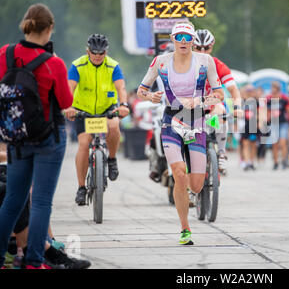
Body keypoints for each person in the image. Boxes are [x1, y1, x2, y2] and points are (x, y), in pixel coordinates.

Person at [137, 22, 224, 245]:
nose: (184, 42)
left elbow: (219, 95)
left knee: (196, 185)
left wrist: (200, 100)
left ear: (193, 40)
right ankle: (185, 229)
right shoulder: (161, 62)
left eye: (188, 37)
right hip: (171, 119)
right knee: (178, 173)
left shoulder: (206, 61)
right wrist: (150, 97)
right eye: (180, 37)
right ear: (173, 39)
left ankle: (195, 189)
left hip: (196, 120)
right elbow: (141, 90)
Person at [0, 3, 73, 269]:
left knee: (12, 200)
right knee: (41, 201)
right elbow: (65, 101)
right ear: (49, 29)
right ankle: (33, 261)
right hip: (47, 139)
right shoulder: (54, 63)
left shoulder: (4, 54)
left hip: (16, 138)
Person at [64, 34, 130, 206]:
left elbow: (121, 87)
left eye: (101, 53)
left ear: (106, 52)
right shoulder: (77, 65)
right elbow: (69, 87)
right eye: (94, 52)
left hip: (107, 108)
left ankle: (112, 159)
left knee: (114, 126)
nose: (98, 56)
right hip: (82, 110)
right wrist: (68, 106)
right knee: (84, 144)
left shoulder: (113, 65)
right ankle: (81, 187)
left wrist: (123, 104)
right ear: (88, 51)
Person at [193, 29, 242, 175]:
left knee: (221, 112)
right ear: (191, 47)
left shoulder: (217, 64)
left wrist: (238, 107)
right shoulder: (186, 64)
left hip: (212, 104)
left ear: (212, 47)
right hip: (191, 104)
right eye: (198, 48)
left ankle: (221, 153)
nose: (203, 51)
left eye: (206, 48)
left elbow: (233, 90)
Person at [266, 82, 289, 170]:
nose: (273, 89)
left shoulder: (284, 98)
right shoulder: (269, 98)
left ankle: (284, 161)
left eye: (274, 88)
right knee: (274, 144)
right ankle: (275, 162)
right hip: (273, 123)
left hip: (283, 123)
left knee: (283, 143)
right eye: (272, 88)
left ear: (278, 88)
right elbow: (266, 111)